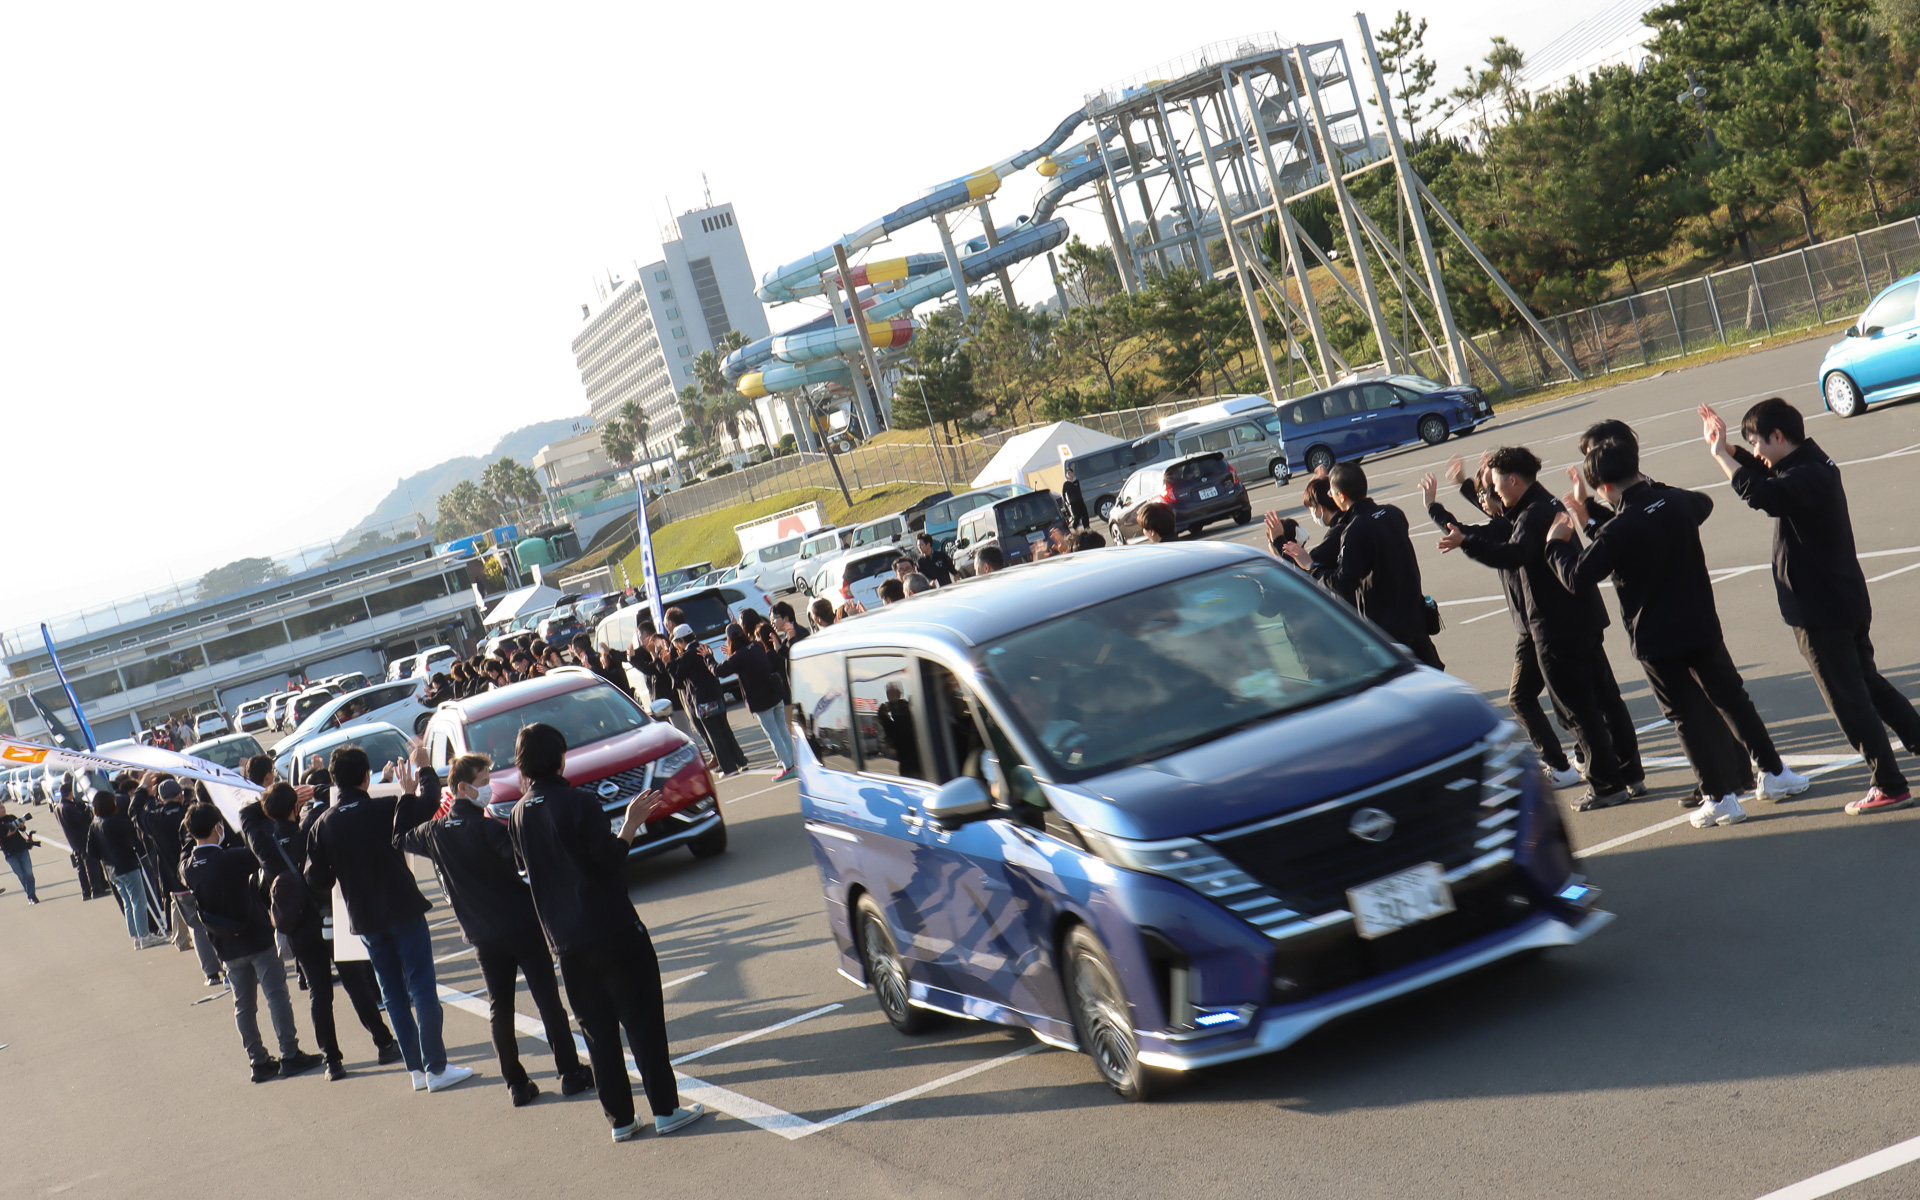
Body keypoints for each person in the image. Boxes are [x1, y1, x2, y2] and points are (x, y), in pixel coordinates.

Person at [1546, 439, 1811, 829]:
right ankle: (1774, 773)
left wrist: (1557, 543)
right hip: (1701, 622)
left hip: (1657, 638)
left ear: (1603, 486)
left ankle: (1719, 798)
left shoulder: (1618, 530)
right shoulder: (1677, 503)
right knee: (1733, 699)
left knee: (1684, 716)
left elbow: (1578, 575)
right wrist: (1598, 513)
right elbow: (1701, 504)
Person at [1702, 398, 1920, 815]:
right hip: (1844, 598)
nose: (1757, 453)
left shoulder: (1802, 477)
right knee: (1868, 684)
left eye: (1758, 443)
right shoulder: (1810, 462)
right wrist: (1728, 448)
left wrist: (1720, 459)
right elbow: (1768, 474)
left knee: (1848, 700)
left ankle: (1889, 784)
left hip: (1821, 610)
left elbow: (1762, 494)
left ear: (1778, 437)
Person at [508, 723, 705, 1143]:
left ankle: (620, 1119)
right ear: (560, 757)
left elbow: (528, 874)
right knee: (642, 1020)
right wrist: (631, 823)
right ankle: (666, 1110)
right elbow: (609, 858)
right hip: (612, 927)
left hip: (566, 941)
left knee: (597, 1030)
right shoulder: (578, 802)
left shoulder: (519, 814)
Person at [1434, 446, 1645, 810]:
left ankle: (1606, 785)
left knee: (1575, 709)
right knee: (1606, 700)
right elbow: (1500, 526)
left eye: (1497, 484)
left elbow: (1513, 554)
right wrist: (1467, 515)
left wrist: (1467, 542)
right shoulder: (1543, 504)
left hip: (1555, 625)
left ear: (1514, 480)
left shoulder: (1531, 515)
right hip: (1583, 618)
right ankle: (1629, 774)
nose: (1494, 491)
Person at [396, 753, 594, 1108]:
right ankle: (570, 1072)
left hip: (481, 935)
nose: (488, 789)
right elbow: (525, 861)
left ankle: (516, 1083)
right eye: (484, 782)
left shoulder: (434, 832)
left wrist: (408, 795)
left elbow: (399, 838)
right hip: (521, 925)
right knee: (547, 999)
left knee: (500, 1007)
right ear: (463, 787)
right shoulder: (488, 829)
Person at [305, 744, 473, 1093]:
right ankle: (436, 1068)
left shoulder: (323, 825)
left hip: (364, 918)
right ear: (367, 777)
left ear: (336, 781)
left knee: (393, 993)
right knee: (421, 988)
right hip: (402, 907)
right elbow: (428, 807)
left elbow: (316, 878)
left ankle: (416, 1069)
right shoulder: (385, 808)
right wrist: (423, 771)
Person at [1422, 458, 1581, 790]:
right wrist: (1466, 485)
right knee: (1564, 692)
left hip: (1533, 626)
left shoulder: (1508, 526)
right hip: (1542, 622)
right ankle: (1583, 752)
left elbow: (1464, 530)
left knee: (1521, 698)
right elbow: (1487, 514)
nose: (1484, 498)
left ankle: (1560, 764)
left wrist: (1433, 507)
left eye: (1488, 491)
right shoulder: (1512, 519)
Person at [182, 802, 325, 1082]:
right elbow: (256, 854)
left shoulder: (188, 868)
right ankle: (290, 1053)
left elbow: (191, 859)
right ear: (218, 827)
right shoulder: (232, 858)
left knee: (243, 1005)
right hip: (256, 936)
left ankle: (257, 1060)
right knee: (276, 996)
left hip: (224, 944)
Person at [1284, 463, 1444, 670]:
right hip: (1415, 617)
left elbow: (1344, 582)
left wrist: (1311, 566)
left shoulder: (1355, 530)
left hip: (1387, 630)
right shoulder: (1393, 513)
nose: (1329, 495)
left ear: (1341, 497)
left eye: (1331, 491)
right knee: (1434, 677)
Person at [713, 624, 795, 781]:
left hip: (761, 701)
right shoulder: (756, 646)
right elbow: (745, 664)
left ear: (730, 640)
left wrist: (709, 657)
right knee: (782, 729)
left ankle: (788, 767)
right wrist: (731, 657)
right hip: (774, 694)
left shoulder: (738, 657)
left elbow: (719, 671)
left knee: (774, 735)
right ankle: (793, 762)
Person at [87, 790, 163, 947]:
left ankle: (136, 937)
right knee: (138, 901)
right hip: (127, 866)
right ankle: (145, 935)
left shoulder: (94, 824)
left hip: (110, 870)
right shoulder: (115, 822)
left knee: (128, 903)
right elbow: (132, 829)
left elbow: (91, 851)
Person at [670, 625, 749, 776]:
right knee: (724, 728)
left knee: (714, 733)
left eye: (676, 642)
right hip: (717, 693)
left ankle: (729, 768)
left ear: (680, 641)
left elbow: (678, 681)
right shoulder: (703, 648)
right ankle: (741, 761)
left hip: (703, 699)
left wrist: (670, 663)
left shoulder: (688, 656)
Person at [56, 780, 107, 901]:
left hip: (73, 840)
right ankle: (96, 889)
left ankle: (86, 891)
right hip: (82, 838)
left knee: (81, 866)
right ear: (71, 793)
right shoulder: (68, 807)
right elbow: (81, 819)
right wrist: (87, 810)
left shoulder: (58, 807)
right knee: (91, 863)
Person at [1, 802, 41, 903]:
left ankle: (32, 896)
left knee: (28, 873)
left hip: (22, 848)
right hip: (10, 854)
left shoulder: (11, 817)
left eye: (3, 807)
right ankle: (29, 893)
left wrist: (22, 825)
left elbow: (22, 829)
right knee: (21, 875)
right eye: (0, 808)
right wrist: (8, 834)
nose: (3, 809)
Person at [1061, 466, 1091, 530]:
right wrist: (1066, 502)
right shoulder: (1066, 484)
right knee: (1077, 517)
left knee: (1085, 515)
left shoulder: (1076, 481)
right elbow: (1063, 494)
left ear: (1073, 473)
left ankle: (1087, 528)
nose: (1069, 474)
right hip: (1073, 503)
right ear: (1066, 475)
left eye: (1070, 472)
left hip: (1080, 501)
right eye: (1068, 473)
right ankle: (1074, 527)